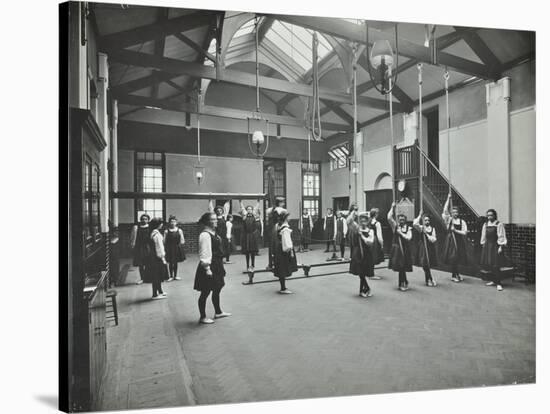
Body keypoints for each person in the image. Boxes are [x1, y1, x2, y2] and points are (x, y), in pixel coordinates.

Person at [194, 212, 231, 324]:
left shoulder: (214, 233)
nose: (216, 221)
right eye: (213, 219)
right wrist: (207, 268)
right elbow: (204, 253)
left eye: (216, 219)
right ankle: (203, 317)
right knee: (205, 292)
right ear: (207, 221)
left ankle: (218, 312)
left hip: (217, 264)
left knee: (217, 288)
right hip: (209, 265)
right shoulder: (205, 235)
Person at [347, 208, 375, 298]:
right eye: (361, 220)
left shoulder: (370, 231)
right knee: (360, 272)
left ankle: (363, 290)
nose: (363, 221)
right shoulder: (357, 228)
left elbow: (370, 242)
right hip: (357, 253)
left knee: (363, 272)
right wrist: (353, 212)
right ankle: (366, 288)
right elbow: (349, 221)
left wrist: (362, 236)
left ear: (367, 221)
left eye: (365, 220)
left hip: (366, 253)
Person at [442, 193, 468, 282]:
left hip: (459, 241)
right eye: (453, 212)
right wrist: (448, 199)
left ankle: (457, 274)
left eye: (456, 212)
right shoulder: (449, 219)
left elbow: (464, 233)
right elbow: (445, 210)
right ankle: (454, 275)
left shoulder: (462, 221)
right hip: (451, 241)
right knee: (453, 258)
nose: (454, 213)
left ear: (458, 213)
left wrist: (456, 231)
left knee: (457, 258)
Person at [480, 209, 508, 291]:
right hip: (487, 246)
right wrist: (483, 244)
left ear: (494, 215)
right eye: (488, 215)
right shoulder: (485, 224)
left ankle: (499, 283)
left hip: (495, 246)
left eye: (491, 215)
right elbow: (483, 235)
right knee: (489, 263)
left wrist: (500, 246)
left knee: (496, 264)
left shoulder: (499, 224)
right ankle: (493, 280)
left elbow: (501, 236)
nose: (489, 217)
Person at [388, 203, 413, 291]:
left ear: (405, 219)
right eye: (400, 218)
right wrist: (392, 207)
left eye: (403, 218)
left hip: (405, 250)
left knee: (403, 266)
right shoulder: (395, 226)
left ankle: (404, 281)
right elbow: (389, 218)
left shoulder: (408, 228)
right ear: (398, 219)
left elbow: (409, 238)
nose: (401, 220)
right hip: (397, 250)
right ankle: (401, 283)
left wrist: (401, 233)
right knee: (400, 267)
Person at [273, 208, 297, 294]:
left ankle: (282, 287)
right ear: (285, 218)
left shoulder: (278, 225)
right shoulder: (285, 228)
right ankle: (283, 288)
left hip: (279, 249)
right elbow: (287, 242)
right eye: (288, 217)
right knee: (283, 268)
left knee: (281, 268)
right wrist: (290, 251)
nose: (289, 218)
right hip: (283, 250)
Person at [413, 211, 438, 287]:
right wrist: (420, 215)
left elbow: (434, 239)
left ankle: (428, 280)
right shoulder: (421, 227)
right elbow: (414, 224)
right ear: (423, 221)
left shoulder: (432, 229)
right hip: (423, 247)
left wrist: (426, 234)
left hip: (430, 247)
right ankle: (429, 279)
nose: (427, 222)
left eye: (428, 220)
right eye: (425, 220)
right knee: (425, 264)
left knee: (428, 264)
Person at [147, 217, 168, 300]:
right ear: (158, 225)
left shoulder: (153, 232)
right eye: (161, 223)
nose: (162, 224)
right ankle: (155, 294)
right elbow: (159, 248)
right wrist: (163, 258)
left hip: (153, 257)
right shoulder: (157, 235)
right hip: (156, 258)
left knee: (158, 276)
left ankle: (160, 291)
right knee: (156, 276)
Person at [240, 200, 260, 275]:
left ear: (252, 210)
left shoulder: (254, 216)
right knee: (247, 252)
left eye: (250, 209)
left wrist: (258, 201)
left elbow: (256, 208)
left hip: (253, 236)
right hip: (247, 236)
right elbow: (242, 208)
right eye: (248, 209)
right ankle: (247, 265)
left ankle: (253, 265)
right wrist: (240, 201)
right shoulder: (244, 217)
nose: (249, 210)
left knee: (252, 252)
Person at [130, 213, 151, 285]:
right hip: (139, 247)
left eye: (146, 219)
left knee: (148, 263)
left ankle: (148, 278)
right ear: (140, 220)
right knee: (141, 264)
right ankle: (142, 278)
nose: (144, 220)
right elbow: (133, 238)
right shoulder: (136, 227)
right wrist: (133, 245)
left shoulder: (150, 228)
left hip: (148, 247)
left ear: (148, 220)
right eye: (142, 219)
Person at [266, 197, 286, 270]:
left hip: (272, 231)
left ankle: (271, 264)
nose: (283, 204)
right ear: (280, 203)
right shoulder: (283, 211)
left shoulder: (270, 210)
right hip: (280, 230)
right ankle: (281, 264)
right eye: (282, 202)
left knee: (272, 247)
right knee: (280, 247)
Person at [164, 215, 186, 281]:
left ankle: (175, 276)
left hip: (176, 248)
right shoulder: (166, 231)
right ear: (169, 223)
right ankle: (171, 276)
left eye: (174, 222)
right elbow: (164, 241)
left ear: (176, 222)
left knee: (175, 262)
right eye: (171, 222)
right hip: (169, 248)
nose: (173, 223)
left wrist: (180, 245)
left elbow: (182, 240)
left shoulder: (179, 230)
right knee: (170, 262)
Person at [209, 200, 231, 264]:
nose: (219, 212)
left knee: (226, 247)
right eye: (218, 211)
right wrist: (210, 200)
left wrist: (228, 200)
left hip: (224, 235)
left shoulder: (225, 216)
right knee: (218, 247)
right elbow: (211, 209)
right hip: (217, 234)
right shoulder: (215, 217)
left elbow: (227, 207)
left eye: (220, 211)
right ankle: (218, 259)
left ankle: (227, 259)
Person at [368, 208, 385, 279]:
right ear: (375, 215)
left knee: (369, 257)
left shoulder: (368, 222)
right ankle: (371, 275)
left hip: (368, 240)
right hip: (374, 240)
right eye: (377, 214)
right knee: (373, 257)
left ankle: (369, 273)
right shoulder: (377, 223)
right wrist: (381, 244)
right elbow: (379, 235)